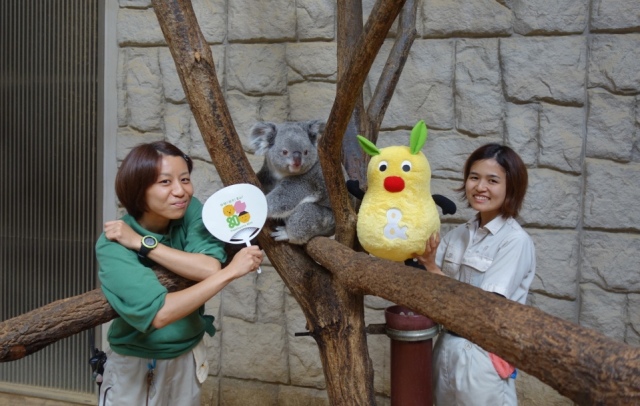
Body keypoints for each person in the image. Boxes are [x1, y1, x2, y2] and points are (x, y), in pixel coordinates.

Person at [95, 141, 263, 406]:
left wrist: (142, 243)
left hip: (188, 354)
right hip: (133, 362)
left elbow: (208, 267)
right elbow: (160, 313)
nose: (180, 191)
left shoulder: (190, 211)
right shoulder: (112, 244)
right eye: (165, 182)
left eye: (185, 179)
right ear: (138, 189)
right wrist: (231, 272)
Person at [414, 143, 536, 406]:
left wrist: (432, 268)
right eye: (474, 177)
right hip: (445, 347)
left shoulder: (514, 241)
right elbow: (421, 279)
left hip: (484, 355)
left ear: (511, 187)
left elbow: (484, 306)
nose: (480, 187)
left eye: (492, 180)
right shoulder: (458, 234)